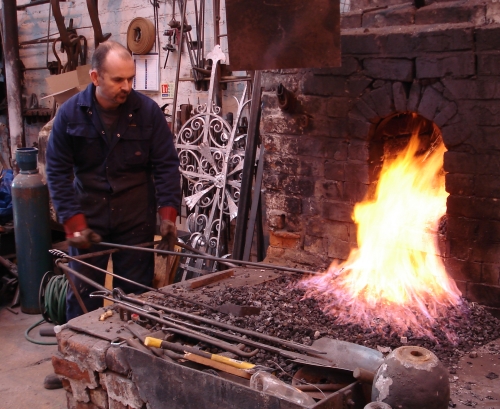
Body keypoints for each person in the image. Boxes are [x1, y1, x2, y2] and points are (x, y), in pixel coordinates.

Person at [46, 40, 181, 321]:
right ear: (95, 77)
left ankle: (127, 359)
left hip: (135, 220)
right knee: (83, 296)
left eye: (131, 78)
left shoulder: (148, 113)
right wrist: (73, 223)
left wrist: (168, 215)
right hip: (89, 220)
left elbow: (166, 165)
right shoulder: (69, 115)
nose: (127, 86)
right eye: (119, 79)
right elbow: (58, 171)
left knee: (134, 300)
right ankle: (82, 352)